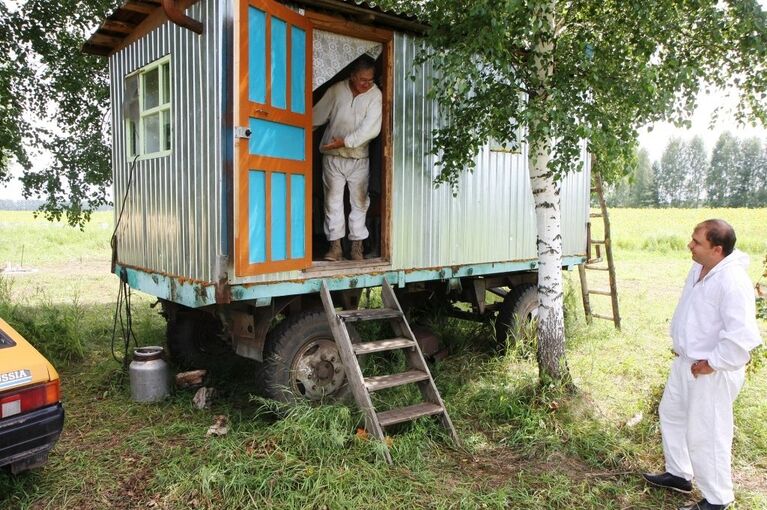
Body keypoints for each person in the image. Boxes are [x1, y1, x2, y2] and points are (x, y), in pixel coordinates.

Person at [643, 219, 763, 510]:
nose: (690, 245)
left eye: (697, 242)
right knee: (671, 414)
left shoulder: (732, 281)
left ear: (717, 249)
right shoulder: (699, 267)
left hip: (711, 370)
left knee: (707, 433)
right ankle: (679, 474)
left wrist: (713, 363)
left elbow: (741, 336)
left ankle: (717, 499)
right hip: (687, 362)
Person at [312, 55, 382, 262]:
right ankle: (335, 248)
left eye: (370, 80)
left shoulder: (375, 96)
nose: (366, 84)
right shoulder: (337, 90)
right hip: (333, 156)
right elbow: (316, 116)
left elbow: (370, 130)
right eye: (362, 79)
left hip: (358, 158)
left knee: (359, 203)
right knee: (332, 202)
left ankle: (356, 249)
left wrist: (345, 141)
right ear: (352, 76)